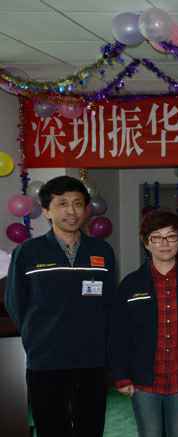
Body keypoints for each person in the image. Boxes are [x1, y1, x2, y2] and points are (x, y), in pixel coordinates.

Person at [4, 175, 116, 437]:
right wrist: (38, 336)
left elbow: (109, 303)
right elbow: (16, 302)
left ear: (86, 210)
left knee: (90, 427)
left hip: (92, 359)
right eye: (62, 204)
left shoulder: (102, 251)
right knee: (51, 427)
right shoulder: (28, 252)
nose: (71, 211)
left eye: (77, 204)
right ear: (46, 211)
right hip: (46, 360)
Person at [111, 210, 178, 437]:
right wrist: (121, 375)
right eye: (156, 237)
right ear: (146, 242)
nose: (164, 244)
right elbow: (118, 332)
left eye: (171, 237)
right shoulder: (130, 284)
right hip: (144, 381)